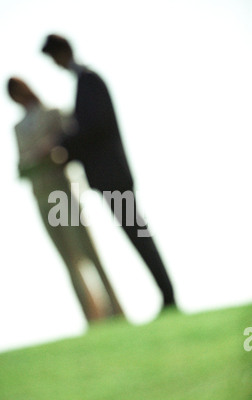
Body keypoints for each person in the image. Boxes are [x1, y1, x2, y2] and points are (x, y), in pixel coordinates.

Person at [42, 35, 176, 310]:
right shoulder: (85, 81)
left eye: (54, 57)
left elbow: (95, 128)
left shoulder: (89, 80)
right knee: (138, 235)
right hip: (109, 178)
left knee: (139, 235)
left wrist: (62, 144)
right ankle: (167, 294)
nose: (55, 64)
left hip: (113, 177)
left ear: (63, 51)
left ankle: (168, 295)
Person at [7, 77, 124, 322]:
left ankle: (115, 309)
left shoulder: (53, 114)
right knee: (68, 260)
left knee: (87, 253)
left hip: (62, 193)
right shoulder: (17, 128)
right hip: (40, 197)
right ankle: (93, 317)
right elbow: (21, 167)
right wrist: (36, 160)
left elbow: (70, 146)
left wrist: (48, 154)